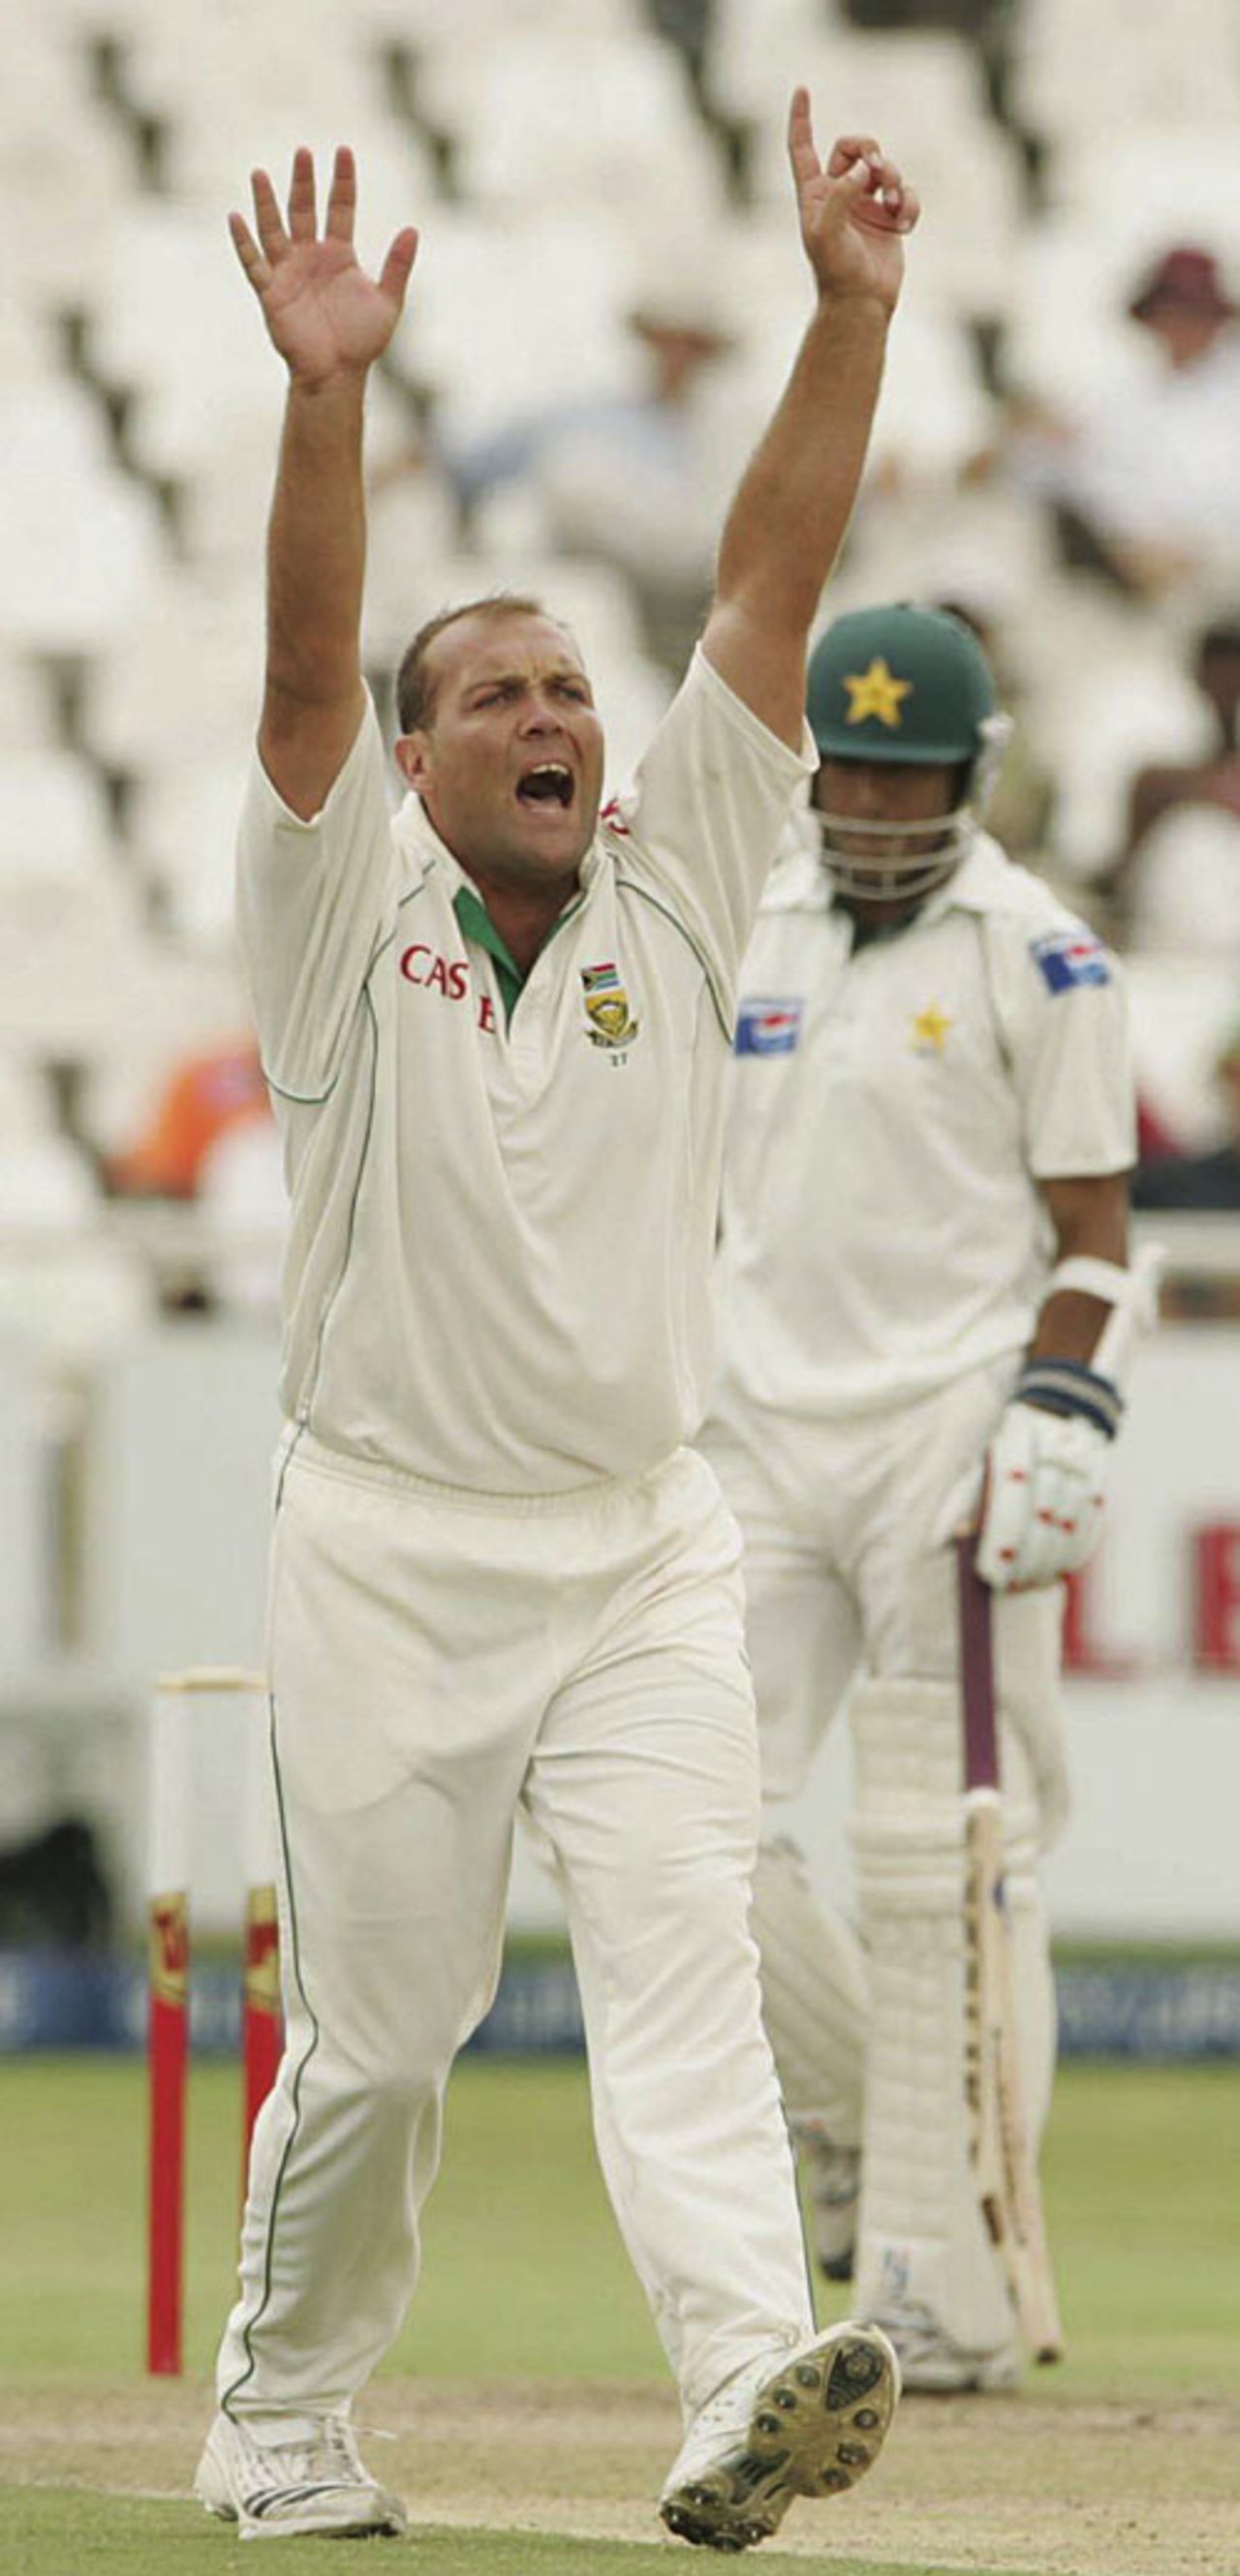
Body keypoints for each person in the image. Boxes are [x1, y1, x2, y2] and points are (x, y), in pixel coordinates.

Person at [194, 107, 919, 2552]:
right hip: (385, 1553)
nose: (551, 720)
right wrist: (328, 397)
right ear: (413, 763)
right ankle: (281, 2412)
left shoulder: (682, 877)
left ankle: (742, 2386)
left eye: (566, 694)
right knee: (385, 2055)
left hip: (637, 1548)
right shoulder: (335, 907)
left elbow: (766, 576)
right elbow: (305, 654)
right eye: (494, 695)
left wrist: (845, 314)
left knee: (686, 1975)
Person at [700, 602, 1146, 2391]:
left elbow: (1100, 1241)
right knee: (670, 1823)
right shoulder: (746, 916)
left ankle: (946, 2263)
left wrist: (1063, 1404)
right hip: (746, 1427)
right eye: (854, 770)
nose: (879, 807)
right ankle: (853, 2130)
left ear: (975, 771)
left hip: (946, 1439)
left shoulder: (1048, 960)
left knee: (968, 1854)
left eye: (912, 773)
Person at [1006, 245, 1240, 608]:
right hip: (1124, 580)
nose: (1182, 326)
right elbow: (1074, 478)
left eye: (1194, 313)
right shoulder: (1122, 394)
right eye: (1172, 312)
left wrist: (1195, 552)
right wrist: (1040, 437)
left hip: (1221, 585)